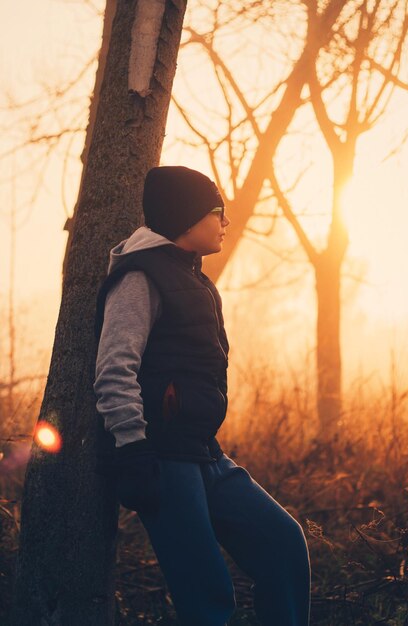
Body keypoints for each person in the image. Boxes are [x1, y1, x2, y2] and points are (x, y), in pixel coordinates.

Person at [94, 166, 311, 626]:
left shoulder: (197, 281)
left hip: (205, 454)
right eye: (217, 212)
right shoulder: (140, 278)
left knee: (283, 545)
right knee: (209, 598)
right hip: (161, 458)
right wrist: (132, 448)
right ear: (184, 219)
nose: (225, 222)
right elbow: (114, 368)